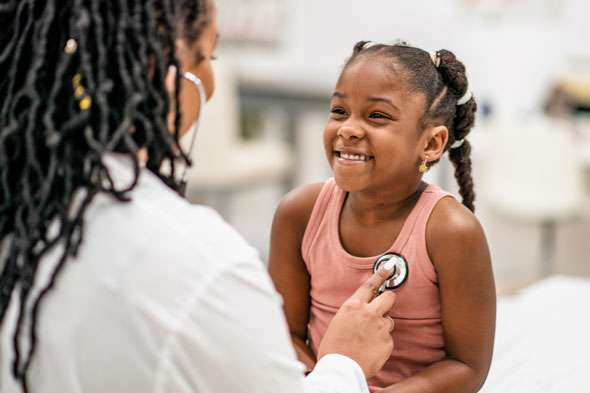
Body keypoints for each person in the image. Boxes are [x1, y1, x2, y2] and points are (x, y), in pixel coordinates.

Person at [0, 2, 397, 392]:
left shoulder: (24, 207)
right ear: (164, 69)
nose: (210, 78)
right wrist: (345, 365)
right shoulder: (203, 269)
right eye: (208, 55)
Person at [268, 41, 496, 392]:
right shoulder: (299, 213)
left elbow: (467, 367)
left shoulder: (451, 231)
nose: (348, 129)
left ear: (432, 144)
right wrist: (329, 382)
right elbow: (285, 336)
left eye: (377, 116)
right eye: (339, 111)